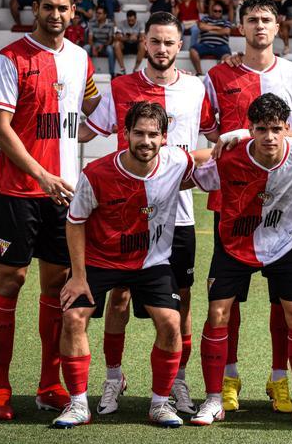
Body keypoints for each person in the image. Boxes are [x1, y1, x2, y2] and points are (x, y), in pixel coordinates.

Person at [80, 12, 219, 417]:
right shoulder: (121, 87)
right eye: (155, 41)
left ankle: (177, 381)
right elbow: (86, 131)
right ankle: (113, 377)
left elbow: (215, 137)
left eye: (169, 42)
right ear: (144, 42)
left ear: (180, 46)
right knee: (119, 298)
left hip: (178, 216)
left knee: (181, 302)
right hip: (124, 214)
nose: (161, 49)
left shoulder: (195, 88)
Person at [0, 0, 101, 421]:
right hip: (19, 191)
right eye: (48, 6)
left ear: (74, 12)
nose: (56, 14)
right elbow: (0, 129)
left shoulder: (81, 59)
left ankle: (49, 385)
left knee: (57, 286)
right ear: (35, 9)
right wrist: (42, 174)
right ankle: (0, 389)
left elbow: (93, 108)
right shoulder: (11, 57)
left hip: (64, 194)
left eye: (63, 7)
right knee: (10, 280)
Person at [54, 101, 205, 429]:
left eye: (153, 134)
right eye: (139, 133)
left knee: (171, 322)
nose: (146, 141)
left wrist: (234, 138)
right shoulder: (96, 173)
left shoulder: (176, 161)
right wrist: (78, 276)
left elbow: (207, 157)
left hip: (152, 263)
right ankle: (78, 404)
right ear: (125, 134)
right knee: (73, 318)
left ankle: (160, 404)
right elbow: (75, 222)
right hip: (101, 261)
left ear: (164, 138)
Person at [202, 0, 292, 414]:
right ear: (241, 26)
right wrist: (233, 137)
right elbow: (212, 137)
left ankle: (279, 379)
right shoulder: (218, 74)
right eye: (252, 20)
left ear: (278, 26)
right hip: (232, 205)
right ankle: (228, 379)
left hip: (280, 206)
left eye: (267, 19)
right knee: (226, 303)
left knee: (284, 304)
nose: (260, 26)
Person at [189, 94, 292, 427]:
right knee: (217, 313)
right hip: (234, 242)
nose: (269, 137)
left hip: (284, 243)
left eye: (276, 129)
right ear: (250, 129)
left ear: (287, 129)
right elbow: (186, 167)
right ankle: (213, 399)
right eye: (261, 129)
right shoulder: (228, 156)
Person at [189, 2, 233, 75]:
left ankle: (216, 75)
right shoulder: (206, 19)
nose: (217, 12)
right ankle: (199, 73)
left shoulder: (226, 22)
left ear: (222, 12)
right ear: (212, 11)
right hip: (204, 45)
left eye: (219, 11)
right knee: (193, 51)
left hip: (221, 46)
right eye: (215, 11)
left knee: (227, 57)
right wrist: (218, 28)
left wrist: (210, 30)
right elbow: (201, 26)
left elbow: (226, 31)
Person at [85, 6, 117, 78]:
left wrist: (103, 46)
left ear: (105, 15)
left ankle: (112, 74)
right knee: (86, 48)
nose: (97, 15)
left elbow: (110, 40)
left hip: (105, 45)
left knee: (110, 49)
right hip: (94, 44)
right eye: (96, 13)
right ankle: (85, 73)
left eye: (100, 13)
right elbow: (90, 39)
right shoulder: (92, 23)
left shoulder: (110, 24)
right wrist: (93, 47)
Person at [113, 10, 145, 75]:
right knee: (116, 44)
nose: (130, 22)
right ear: (127, 18)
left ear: (135, 18)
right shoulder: (121, 23)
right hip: (125, 44)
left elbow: (143, 38)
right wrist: (127, 38)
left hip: (136, 44)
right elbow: (116, 37)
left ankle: (136, 69)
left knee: (143, 45)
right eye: (129, 20)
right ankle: (122, 69)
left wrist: (136, 38)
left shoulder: (141, 24)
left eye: (132, 20)